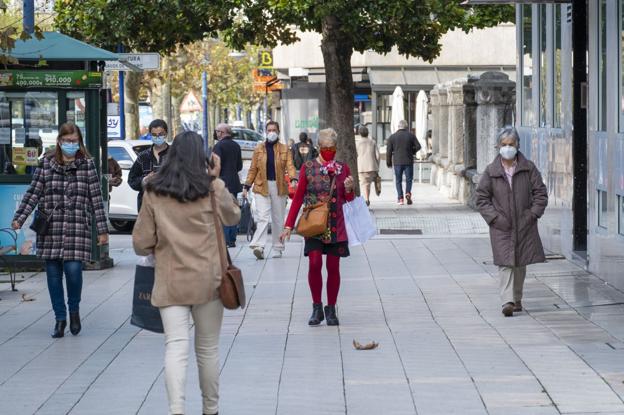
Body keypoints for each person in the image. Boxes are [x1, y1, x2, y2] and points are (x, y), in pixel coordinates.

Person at [133, 131, 240, 415]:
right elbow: (234, 217)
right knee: (207, 350)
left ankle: (176, 410)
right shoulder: (211, 187)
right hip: (209, 282)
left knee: (175, 348)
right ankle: (210, 409)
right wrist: (217, 178)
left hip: (170, 283)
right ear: (203, 157)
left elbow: (140, 243)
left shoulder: (154, 190)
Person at [12, 122, 109, 338]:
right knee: (53, 275)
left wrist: (102, 230)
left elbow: (95, 198)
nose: (71, 145)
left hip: (76, 227)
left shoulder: (87, 165)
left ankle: (74, 310)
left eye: (75, 141)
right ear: (59, 141)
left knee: (74, 272)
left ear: (80, 142)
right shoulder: (46, 163)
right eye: (67, 141)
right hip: (51, 228)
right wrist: (19, 218)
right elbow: (33, 193)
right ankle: (60, 318)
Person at [280, 128, 355, 326]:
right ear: (319, 147)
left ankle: (331, 309)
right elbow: (297, 198)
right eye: (326, 147)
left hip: (335, 224)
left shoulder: (343, 168)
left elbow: (349, 200)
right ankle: (316, 307)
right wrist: (288, 225)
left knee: (333, 266)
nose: (329, 151)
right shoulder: (308, 167)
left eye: (333, 148)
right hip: (314, 224)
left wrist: (349, 189)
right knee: (314, 264)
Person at [475, 127, 548, 317]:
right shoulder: (491, 171)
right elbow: (482, 198)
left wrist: (532, 215)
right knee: (505, 263)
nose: (508, 147)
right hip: (501, 226)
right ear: (498, 146)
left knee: (520, 263)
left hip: (524, 223)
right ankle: (507, 301)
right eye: (504, 144)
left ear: (517, 145)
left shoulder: (528, 167)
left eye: (511, 144)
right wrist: (494, 218)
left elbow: (540, 193)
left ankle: (516, 298)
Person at [243, 121, 296, 260]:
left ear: (278, 132)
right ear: (266, 132)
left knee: (278, 218)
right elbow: (253, 169)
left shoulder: (285, 149)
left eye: (274, 129)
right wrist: (247, 186)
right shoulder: (259, 148)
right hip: (261, 186)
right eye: (269, 129)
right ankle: (259, 246)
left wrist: (293, 178)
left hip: (279, 187)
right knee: (262, 217)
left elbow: (290, 166)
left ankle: (278, 247)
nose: (271, 132)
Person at [128, 119, 170, 212]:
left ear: (166, 134)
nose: (157, 137)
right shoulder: (143, 156)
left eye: (160, 134)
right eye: (154, 135)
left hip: (168, 206)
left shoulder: (174, 155)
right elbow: (131, 180)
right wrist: (144, 180)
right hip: (146, 207)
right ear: (150, 135)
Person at [213, 123, 243, 248]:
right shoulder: (236, 145)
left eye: (217, 131)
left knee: (223, 212)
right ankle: (232, 239)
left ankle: (226, 239)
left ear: (221, 132)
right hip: (234, 182)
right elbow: (239, 166)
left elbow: (215, 166)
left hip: (222, 183)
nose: (216, 133)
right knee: (233, 210)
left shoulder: (218, 146)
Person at [386, 119, 421, 205]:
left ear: (398, 127)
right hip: (408, 161)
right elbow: (418, 146)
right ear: (406, 127)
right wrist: (412, 151)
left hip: (397, 162)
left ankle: (400, 198)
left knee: (398, 181)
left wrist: (389, 163)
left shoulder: (392, 137)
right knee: (409, 179)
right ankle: (408, 193)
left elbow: (389, 152)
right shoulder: (411, 136)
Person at [355, 125, 380, 206]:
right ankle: (367, 199)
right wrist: (377, 165)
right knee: (367, 184)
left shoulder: (357, 143)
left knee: (364, 184)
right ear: (368, 133)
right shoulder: (373, 142)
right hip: (372, 166)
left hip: (361, 167)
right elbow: (378, 156)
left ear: (359, 133)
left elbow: (355, 155)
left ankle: (366, 199)